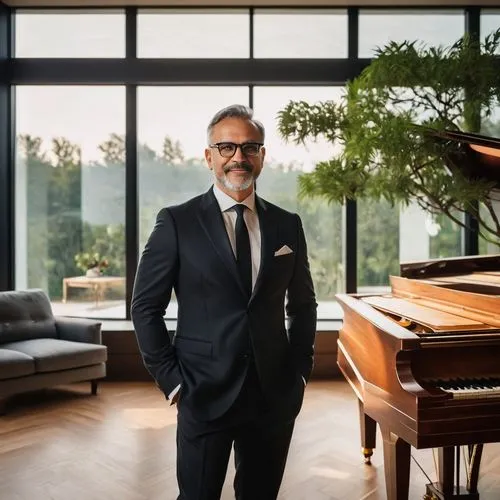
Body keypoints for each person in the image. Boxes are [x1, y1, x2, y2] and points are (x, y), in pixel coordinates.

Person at [131, 104, 317, 500]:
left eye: (250, 147)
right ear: (209, 156)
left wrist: (299, 371)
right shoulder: (176, 222)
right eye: (227, 147)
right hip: (201, 391)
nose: (239, 157)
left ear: (262, 156)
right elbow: (145, 308)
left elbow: (303, 306)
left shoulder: (288, 225)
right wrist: (173, 381)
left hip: (273, 394)